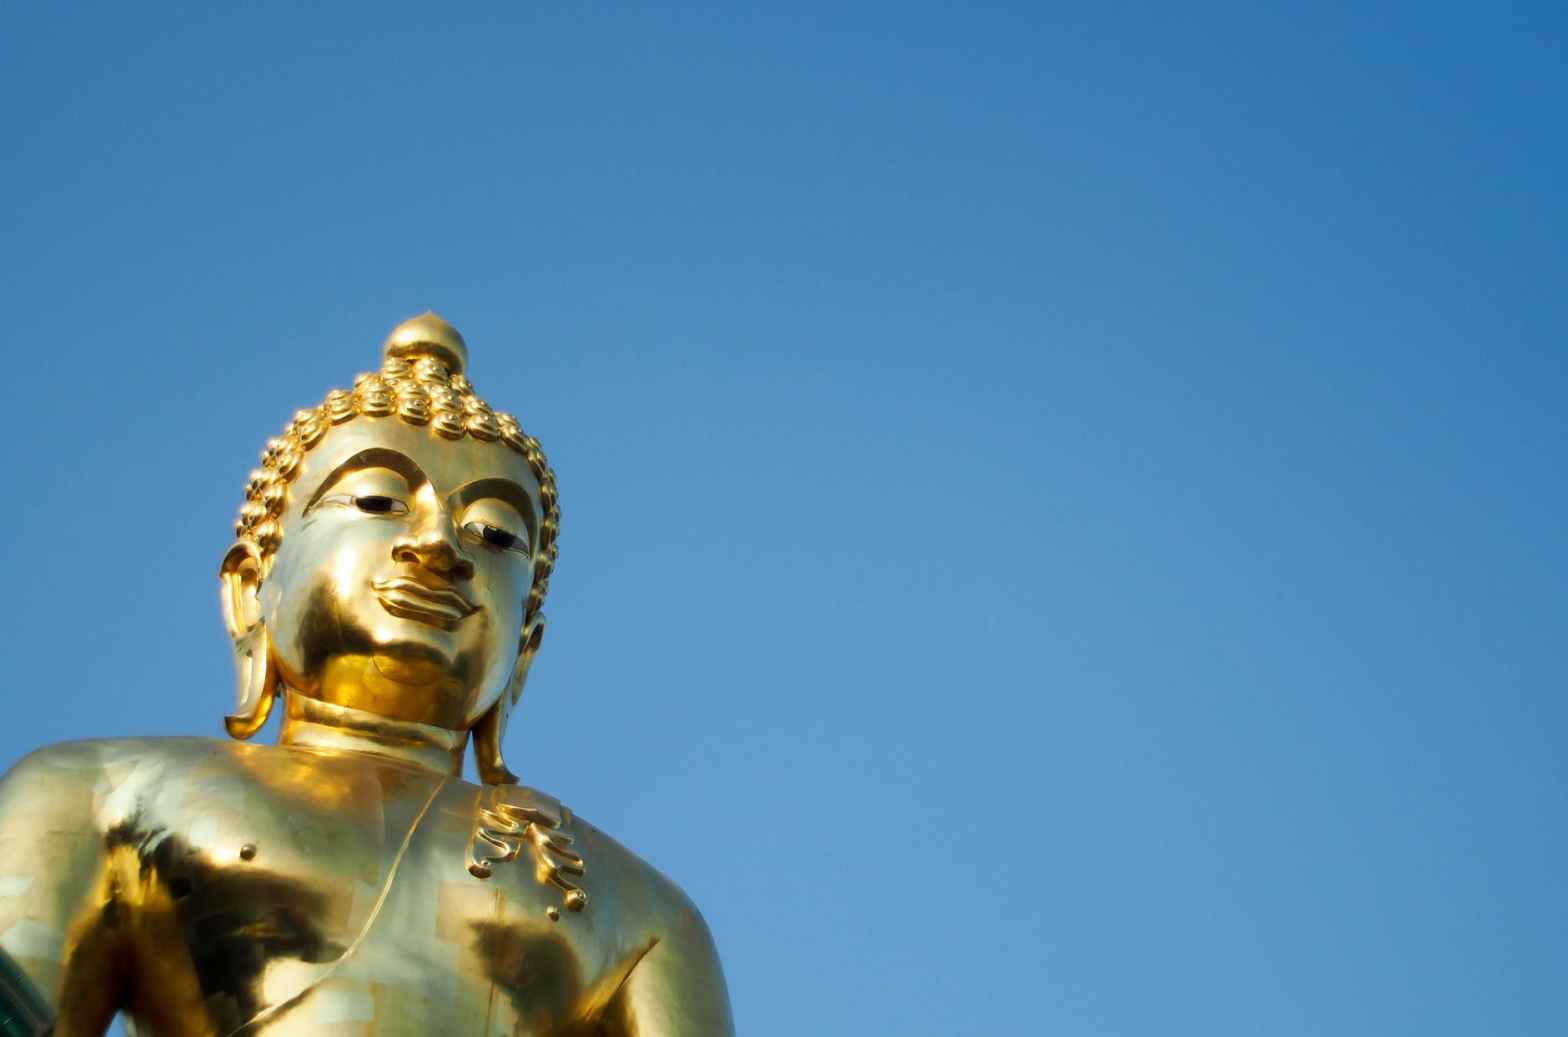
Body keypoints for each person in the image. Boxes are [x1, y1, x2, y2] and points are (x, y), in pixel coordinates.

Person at [0, 314, 734, 1036]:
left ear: (526, 649)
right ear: (252, 588)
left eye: (495, 533)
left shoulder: (637, 908)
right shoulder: (99, 791)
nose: (438, 545)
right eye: (379, 501)